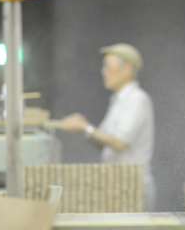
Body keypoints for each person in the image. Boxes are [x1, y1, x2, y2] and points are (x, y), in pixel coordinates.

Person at [58, 43, 155, 210]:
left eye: (108, 67)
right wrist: (83, 126)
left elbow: (119, 142)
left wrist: (85, 127)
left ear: (128, 70)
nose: (104, 72)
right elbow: (103, 139)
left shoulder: (137, 100)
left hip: (131, 186)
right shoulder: (117, 101)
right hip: (116, 185)